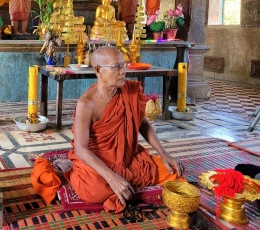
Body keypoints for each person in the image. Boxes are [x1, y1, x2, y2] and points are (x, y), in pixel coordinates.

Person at [65, 46, 186, 213]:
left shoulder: (129, 90)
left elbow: (142, 123)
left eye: (124, 65)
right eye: (117, 67)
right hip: (98, 156)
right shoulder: (87, 103)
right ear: (99, 70)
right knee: (95, 191)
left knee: (173, 173)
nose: (124, 71)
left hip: (127, 156)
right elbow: (80, 148)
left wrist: (163, 153)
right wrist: (111, 177)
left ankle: (123, 180)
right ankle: (78, 173)